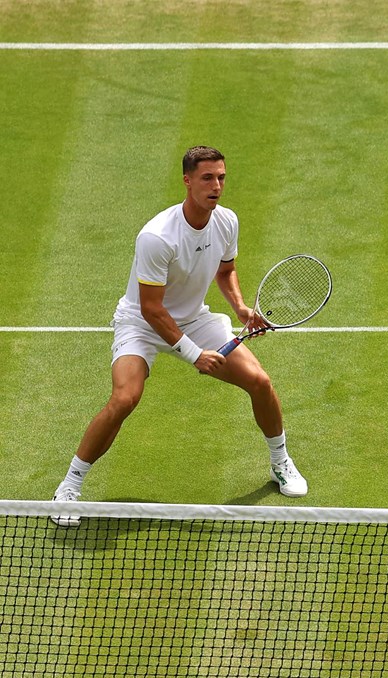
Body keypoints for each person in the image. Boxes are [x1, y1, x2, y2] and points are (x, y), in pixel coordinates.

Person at [51, 146, 307, 525]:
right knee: (124, 398)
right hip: (141, 323)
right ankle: (69, 487)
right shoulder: (157, 236)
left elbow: (226, 270)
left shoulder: (226, 221)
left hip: (194, 319)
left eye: (221, 177)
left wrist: (240, 307)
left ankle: (280, 461)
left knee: (260, 382)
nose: (216, 185)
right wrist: (193, 354)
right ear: (187, 180)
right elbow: (153, 309)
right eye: (207, 178)